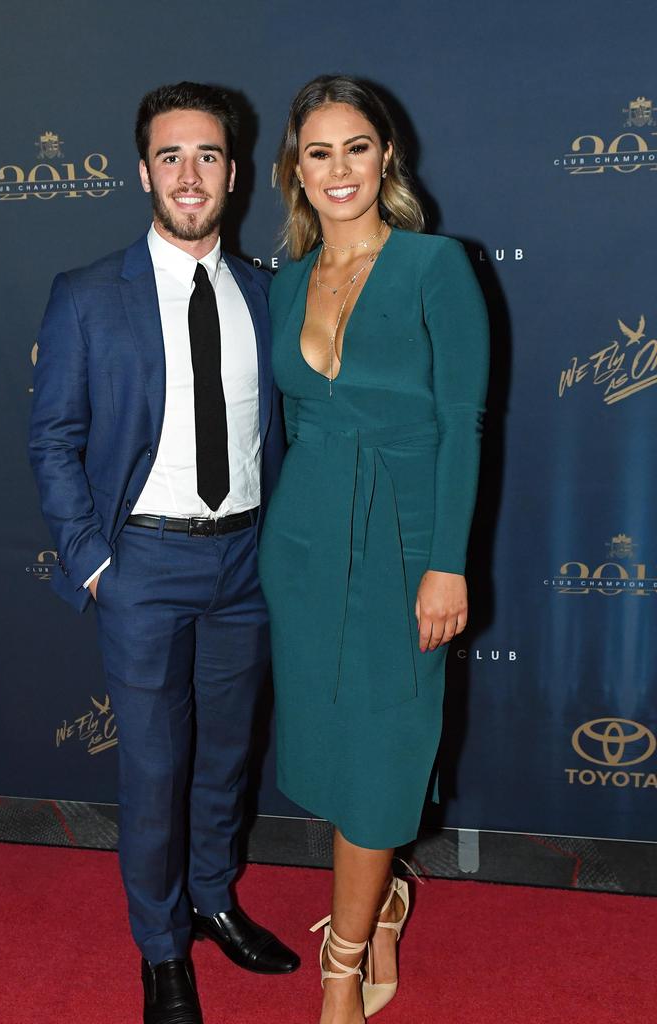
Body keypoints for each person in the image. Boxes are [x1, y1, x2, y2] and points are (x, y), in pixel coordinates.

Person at [29, 81, 297, 1024]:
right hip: (143, 564)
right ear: (144, 171)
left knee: (226, 756)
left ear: (236, 174)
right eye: (172, 156)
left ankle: (215, 899)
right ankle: (160, 949)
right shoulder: (87, 296)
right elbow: (53, 439)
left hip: (247, 563)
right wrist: (95, 561)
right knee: (152, 765)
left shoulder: (270, 292)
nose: (191, 174)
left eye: (209, 156)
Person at [258, 75, 489, 1024]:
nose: (339, 168)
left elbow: (465, 426)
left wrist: (448, 561)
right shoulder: (282, 283)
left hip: (403, 544)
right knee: (325, 747)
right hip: (305, 540)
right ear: (296, 172)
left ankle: (343, 965)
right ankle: (385, 894)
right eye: (319, 152)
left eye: (357, 146)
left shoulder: (438, 265)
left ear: (386, 156)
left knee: (385, 751)